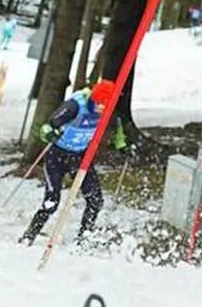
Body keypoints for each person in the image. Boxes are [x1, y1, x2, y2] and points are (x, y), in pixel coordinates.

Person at [17, 86, 127, 246]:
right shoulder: (75, 106)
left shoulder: (108, 110)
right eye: (99, 105)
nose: (101, 110)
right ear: (93, 99)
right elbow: (47, 127)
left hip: (80, 157)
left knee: (96, 200)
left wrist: (121, 144)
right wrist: (49, 134)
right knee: (51, 202)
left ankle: (84, 238)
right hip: (57, 156)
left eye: (105, 107)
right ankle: (29, 235)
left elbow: (118, 127)